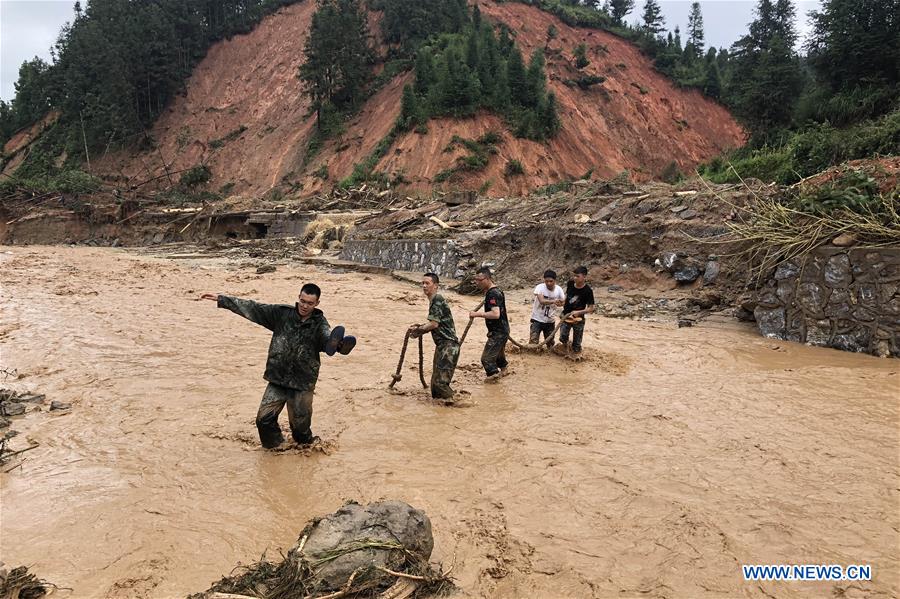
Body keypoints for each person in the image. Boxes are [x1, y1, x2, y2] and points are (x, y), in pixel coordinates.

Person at [200, 284, 355, 449]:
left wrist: (337, 346)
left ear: (317, 303)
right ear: (298, 297)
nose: (304, 306)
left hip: (302, 383)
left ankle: (306, 454)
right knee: (263, 420)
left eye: (309, 303)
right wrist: (223, 299)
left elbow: (326, 340)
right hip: (277, 378)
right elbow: (254, 308)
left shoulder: (320, 324)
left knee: (301, 431)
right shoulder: (281, 314)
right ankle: (277, 452)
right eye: (302, 301)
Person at [408, 273, 460, 400]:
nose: (424, 286)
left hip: (448, 346)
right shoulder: (434, 300)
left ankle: (461, 404)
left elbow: (434, 324)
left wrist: (418, 330)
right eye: (423, 283)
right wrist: (420, 328)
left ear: (436, 286)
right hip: (443, 346)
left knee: (440, 384)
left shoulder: (437, 299)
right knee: (435, 389)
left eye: (427, 283)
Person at [468, 267, 510, 382]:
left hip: (499, 332)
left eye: (479, 280)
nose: (477, 282)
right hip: (502, 330)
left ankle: (493, 377)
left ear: (487, 279)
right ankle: (504, 369)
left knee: (486, 359)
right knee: (498, 353)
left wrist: (477, 314)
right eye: (475, 279)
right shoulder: (495, 291)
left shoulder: (493, 293)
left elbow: (495, 314)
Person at [558, 266, 595, 356]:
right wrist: (562, 302)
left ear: (584, 277)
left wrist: (579, 312)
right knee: (563, 337)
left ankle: (575, 351)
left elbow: (591, 308)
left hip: (578, 318)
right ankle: (565, 348)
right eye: (574, 276)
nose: (575, 278)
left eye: (577, 276)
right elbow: (567, 296)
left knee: (577, 344)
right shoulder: (570, 283)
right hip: (566, 315)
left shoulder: (588, 291)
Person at [530, 269, 566, 347]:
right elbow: (541, 300)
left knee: (550, 344)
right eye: (546, 281)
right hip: (537, 319)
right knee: (533, 342)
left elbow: (563, 302)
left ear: (555, 280)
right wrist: (554, 301)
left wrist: (560, 303)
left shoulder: (559, 289)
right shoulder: (540, 287)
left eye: (551, 281)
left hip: (550, 320)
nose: (548, 283)